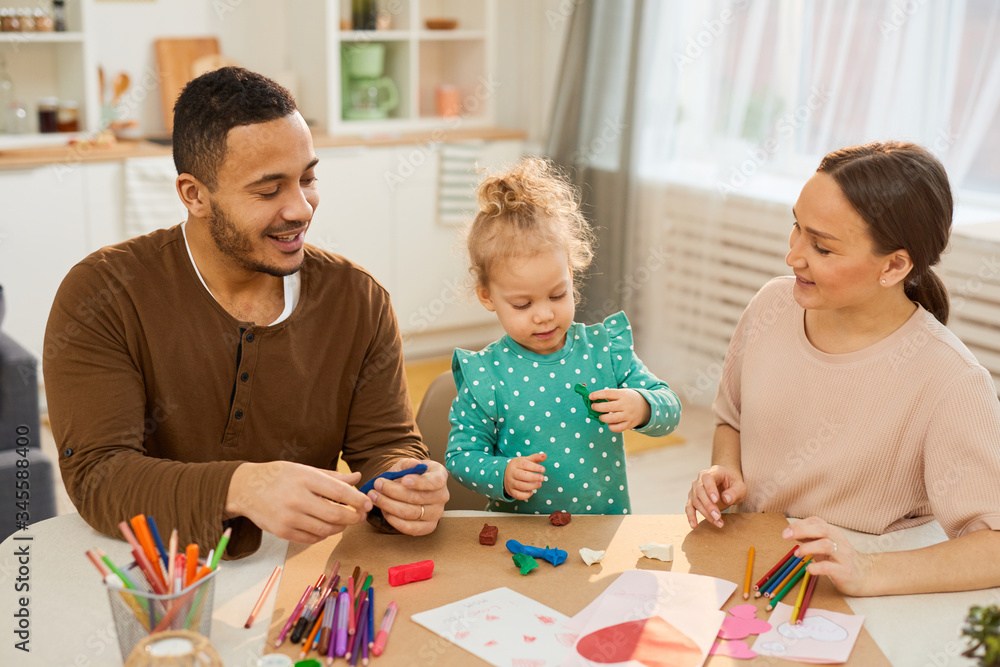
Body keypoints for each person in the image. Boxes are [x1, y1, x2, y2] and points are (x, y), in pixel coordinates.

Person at [43, 67, 448, 559]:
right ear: (194, 195)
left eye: (308, 178)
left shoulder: (358, 300)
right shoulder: (102, 294)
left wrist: (405, 483)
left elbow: (385, 444)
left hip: (297, 581)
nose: (301, 208)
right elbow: (98, 475)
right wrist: (243, 486)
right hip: (151, 576)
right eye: (268, 190)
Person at [685, 141, 1000, 595]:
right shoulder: (772, 305)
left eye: (822, 248)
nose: (793, 256)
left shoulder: (952, 380)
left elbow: (991, 544)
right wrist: (725, 471)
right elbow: (730, 421)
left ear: (894, 265)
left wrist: (869, 570)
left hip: (853, 598)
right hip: (750, 566)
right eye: (797, 227)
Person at [445, 157, 682, 514]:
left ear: (570, 274)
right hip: (519, 541)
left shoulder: (606, 351)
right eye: (523, 304)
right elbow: (460, 456)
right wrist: (502, 473)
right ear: (486, 295)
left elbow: (671, 408)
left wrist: (643, 405)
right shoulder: (486, 374)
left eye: (557, 295)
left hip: (601, 533)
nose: (544, 314)